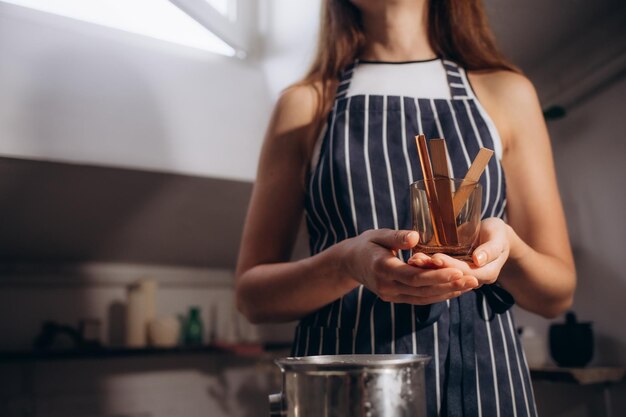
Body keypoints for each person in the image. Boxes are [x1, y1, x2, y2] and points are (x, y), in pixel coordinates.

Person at [235, 0, 576, 415]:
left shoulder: (507, 93)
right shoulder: (306, 104)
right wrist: (344, 263)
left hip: (482, 381)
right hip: (344, 388)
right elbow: (253, 297)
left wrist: (508, 248)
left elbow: (557, 294)